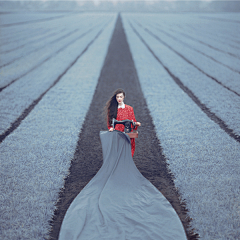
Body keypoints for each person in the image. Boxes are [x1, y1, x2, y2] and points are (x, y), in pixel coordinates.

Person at [105, 88, 141, 157]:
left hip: (127, 134)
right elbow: (109, 122)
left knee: (128, 151)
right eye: (117, 97)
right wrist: (111, 128)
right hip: (117, 134)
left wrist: (136, 124)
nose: (119, 98)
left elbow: (133, 121)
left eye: (121, 97)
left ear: (123, 97)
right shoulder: (112, 109)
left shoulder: (129, 109)